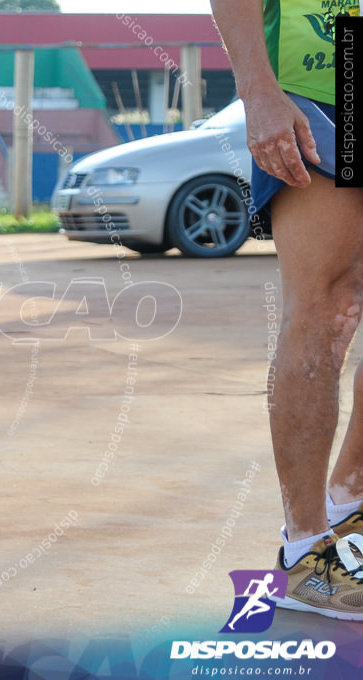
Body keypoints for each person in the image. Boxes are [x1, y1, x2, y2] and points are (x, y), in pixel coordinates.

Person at [211, 0, 363, 618]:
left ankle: (347, 504)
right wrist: (258, 91)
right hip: (321, 78)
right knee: (329, 310)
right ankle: (303, 550)